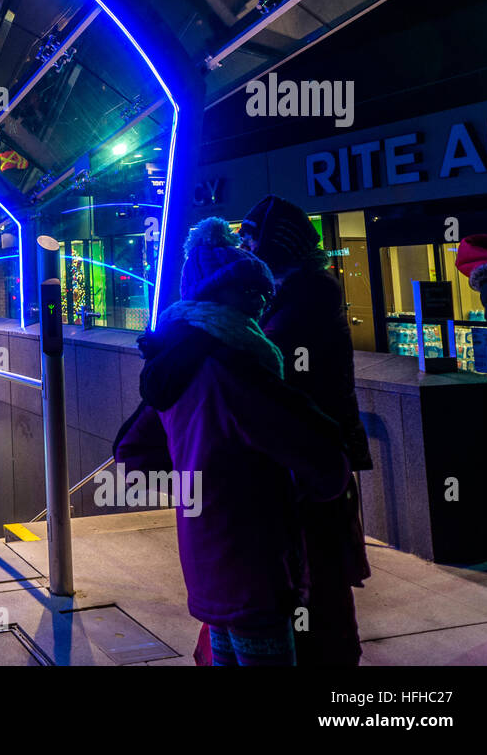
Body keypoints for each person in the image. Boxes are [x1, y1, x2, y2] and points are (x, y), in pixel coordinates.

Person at [114, 217, 351, 666]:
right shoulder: (236, 370)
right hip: (254, 555)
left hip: (206, 552)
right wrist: (270, 485)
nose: (261, 301)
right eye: (247, 290)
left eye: (264, 291)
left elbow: (132, 450)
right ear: (215, 295)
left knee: (225, 652)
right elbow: (322, 458)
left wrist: (197, 481)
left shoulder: (177, 362)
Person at [239, 194, 373, 667]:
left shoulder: (302, 301)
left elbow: (278, 375)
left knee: (317, 570)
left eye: (252, 237)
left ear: (279, 244)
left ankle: (327, 657)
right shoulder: (299, 294)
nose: (245, 245)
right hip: (314, 457)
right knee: (316, 568)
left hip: (312, 461)